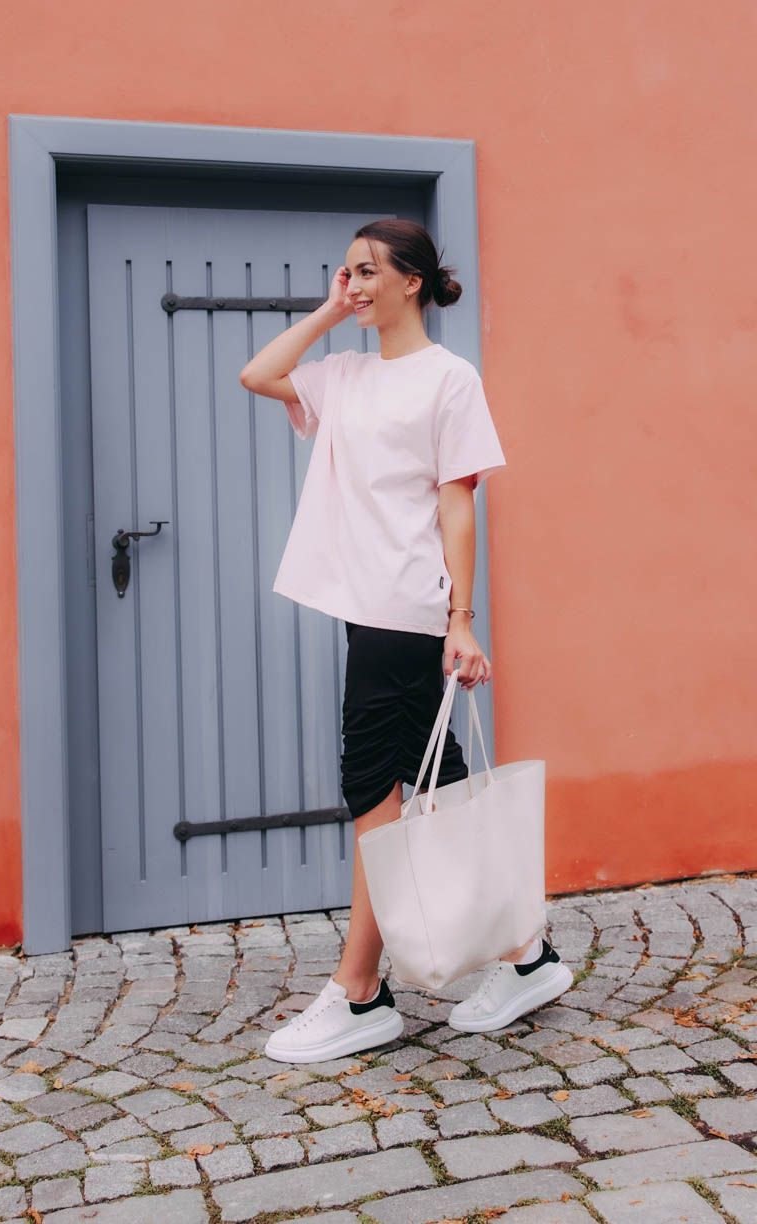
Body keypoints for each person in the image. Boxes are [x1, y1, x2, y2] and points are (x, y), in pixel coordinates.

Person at [240, 219, 573, 1064]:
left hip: (408, 607)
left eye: (366, 273)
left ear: (411, 281)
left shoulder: (448, 379)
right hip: (367, 606)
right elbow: (258, 374)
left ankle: (359, 992)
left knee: (372, 785)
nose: (352, 285)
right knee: (433, 789)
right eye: (345, 273)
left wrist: (461, 617)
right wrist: (327, 311)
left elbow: (458, 502)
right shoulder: (344, 376)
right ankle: (526, 956)